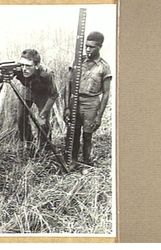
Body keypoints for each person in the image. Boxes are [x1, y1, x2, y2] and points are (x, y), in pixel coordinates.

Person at [0, 49, 59, 152]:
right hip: (27, 90)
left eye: (28, 66)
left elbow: (54, 94)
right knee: (21, 117)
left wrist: (43, 114)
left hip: (42, 94)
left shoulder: (46, 74)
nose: (24, 69)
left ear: (36, 65)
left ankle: (45, 148)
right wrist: (0, 75)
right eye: (22, 65)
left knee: (43, 122)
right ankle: (29, 143)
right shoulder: (19, 68)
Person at [64, 31, 112, 165]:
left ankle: (86, 161)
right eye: (86, 46)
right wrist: (67, 106)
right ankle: (72, 160)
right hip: (75, 101)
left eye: (92, 47)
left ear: (100, 47)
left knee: (87, 135)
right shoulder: (78, 61)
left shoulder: (104, 67)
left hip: (91, 104)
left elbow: (106, 93)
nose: (88, 49)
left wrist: (99, 116)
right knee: (73, 132)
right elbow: (68, 84)